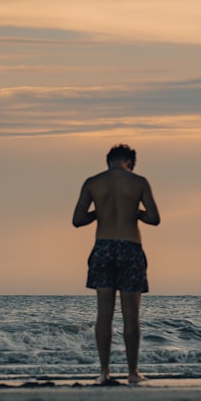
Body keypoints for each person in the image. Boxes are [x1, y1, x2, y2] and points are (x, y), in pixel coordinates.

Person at [73, 144, 161, 384]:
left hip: (103, 247)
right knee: (131, 315)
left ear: (108, 161)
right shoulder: (139, 182)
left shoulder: (93, 182)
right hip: (129, 247)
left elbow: (78, 220)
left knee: (104, 314)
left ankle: (104, 372)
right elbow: (154, 218)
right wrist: (135, 211)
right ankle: (132, 372)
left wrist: (100, 212)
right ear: (130, 162)